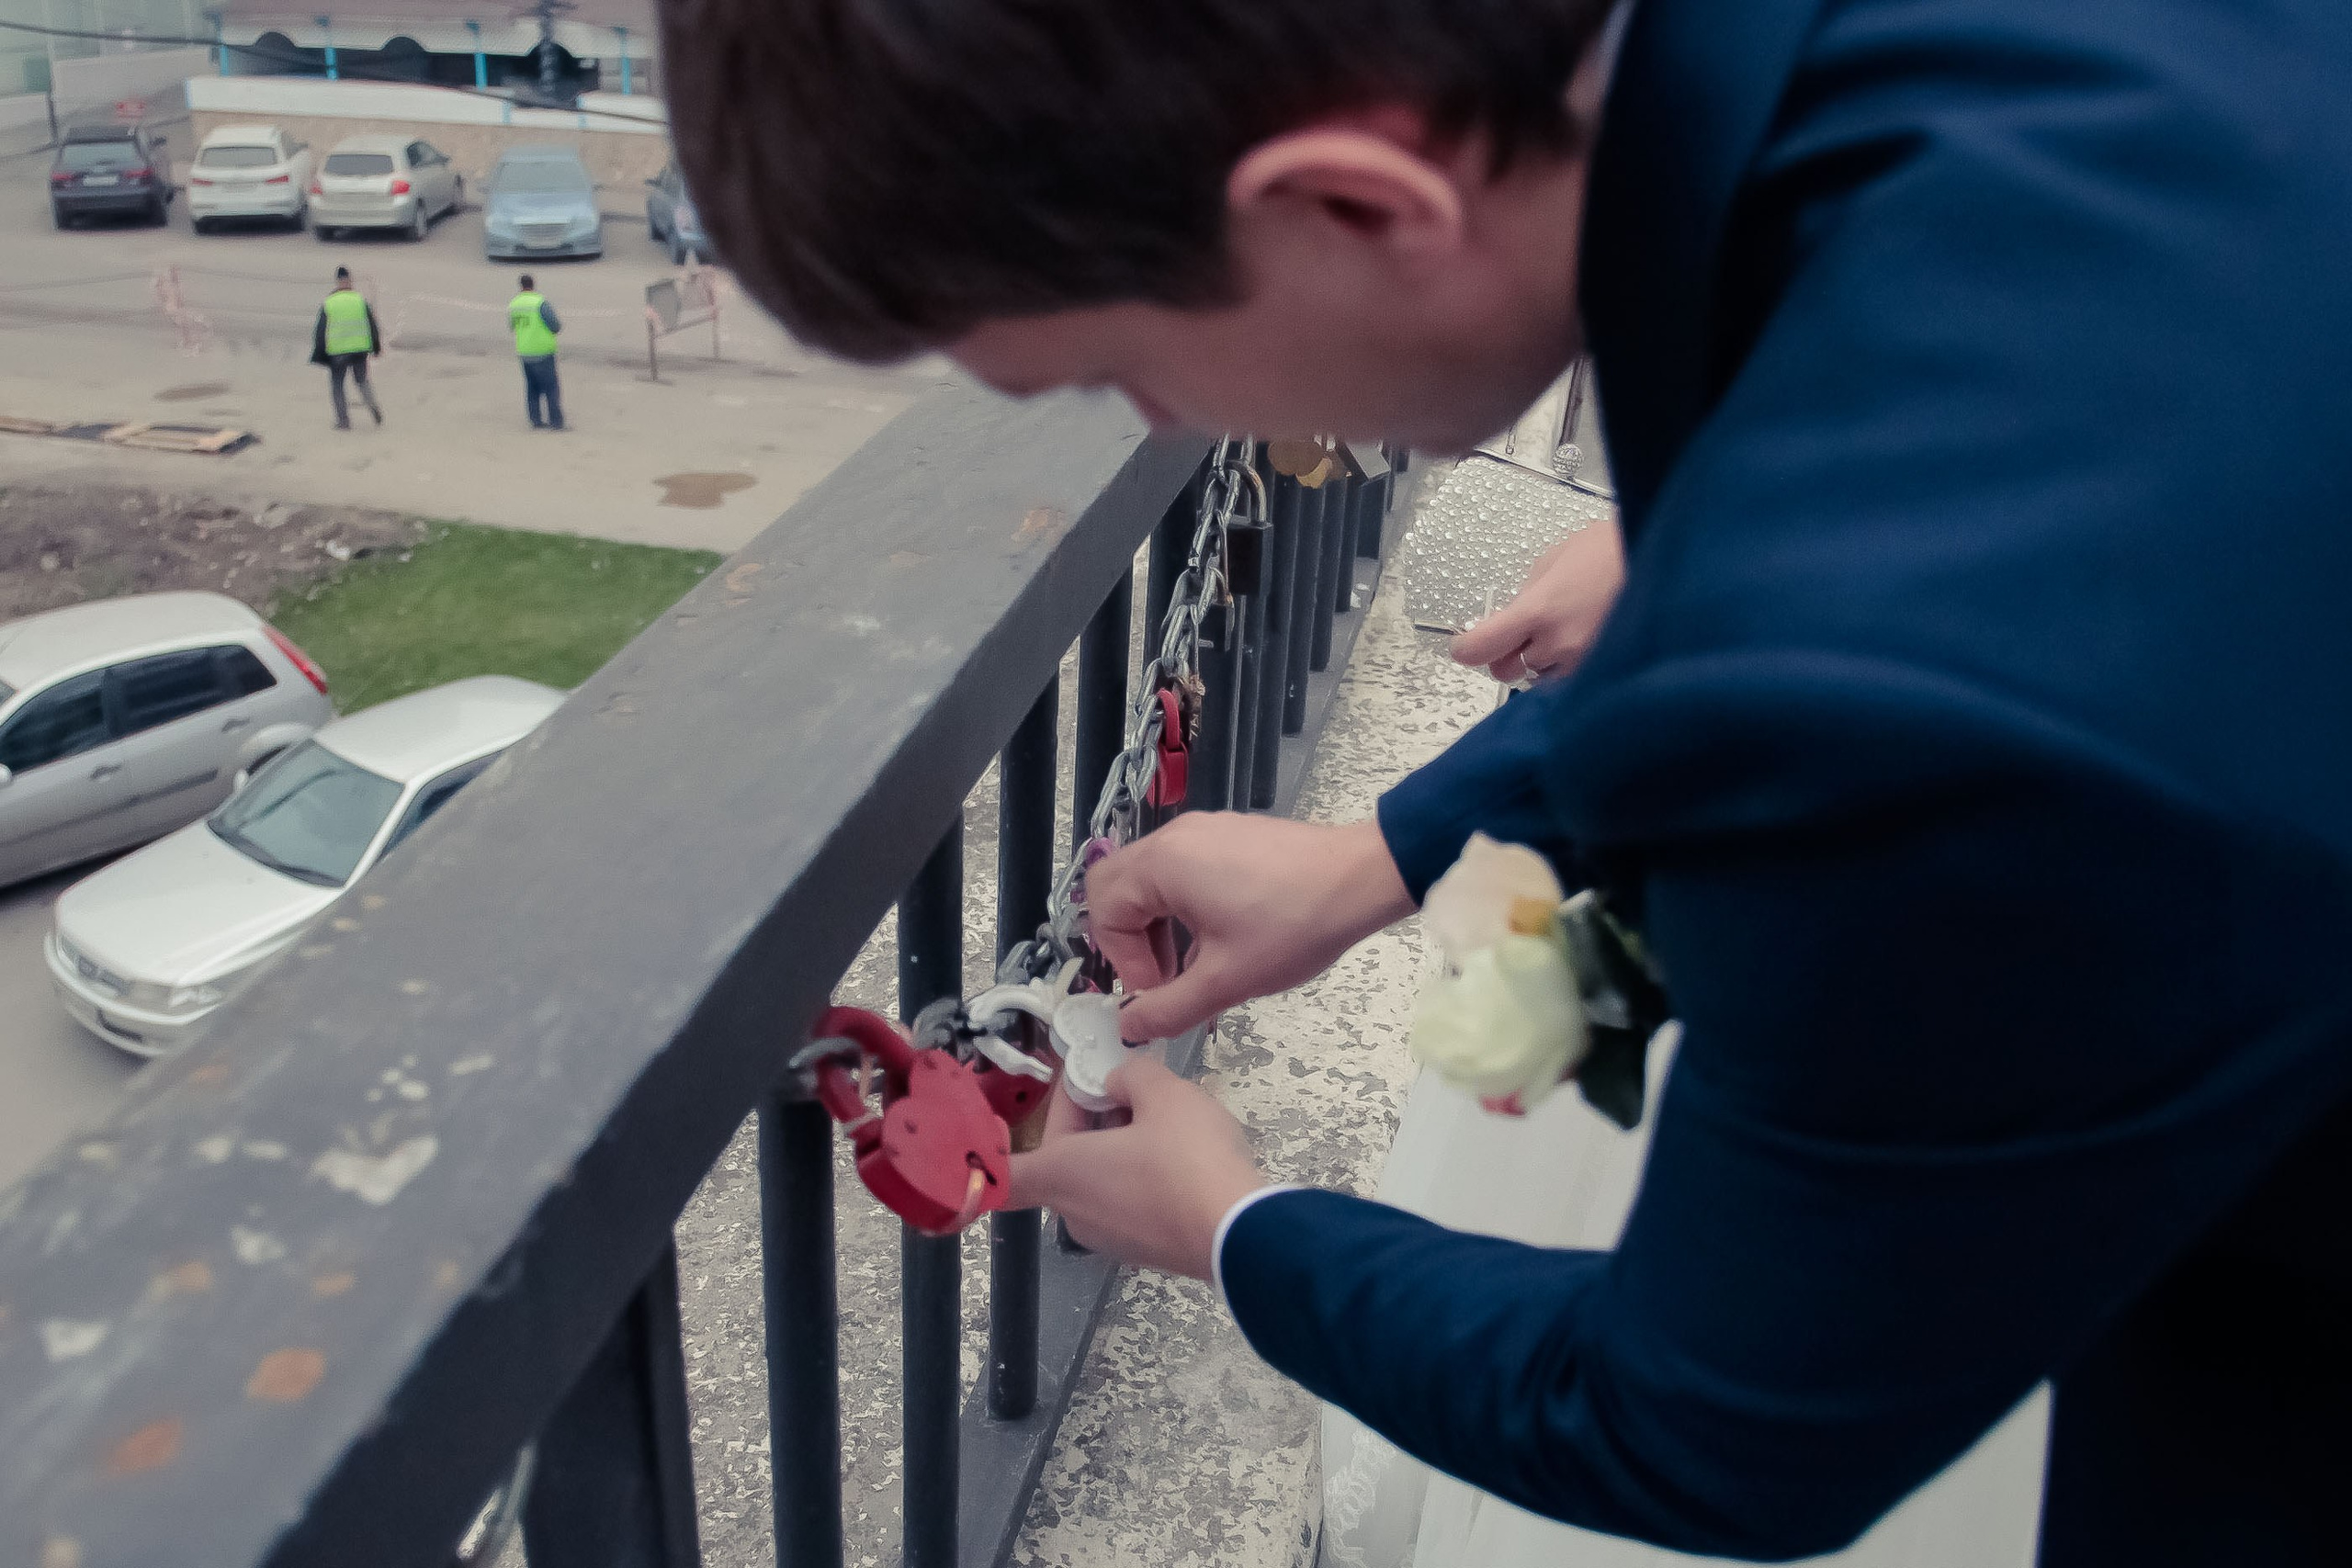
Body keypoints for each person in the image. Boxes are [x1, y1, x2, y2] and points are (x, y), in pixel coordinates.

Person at [662, 0, 2352, 1562]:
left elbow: (1715, 1425)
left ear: (1362, 206)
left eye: (1124, 373)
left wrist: (1235, 1226)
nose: (1155, 418)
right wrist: (1380, 861)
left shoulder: (1904, 667)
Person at [309, 266, 382, 431]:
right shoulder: (359, 300)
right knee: (362, 381)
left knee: (337, 385)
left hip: (338, 352)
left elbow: (320, 331)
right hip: (360, 350)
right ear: (350, 281)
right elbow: (372, 325)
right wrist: (376, 347)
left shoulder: (329, 302)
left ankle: (343, 421)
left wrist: (320, 353)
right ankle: (373, 406)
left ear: (337, 281)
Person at [507, 274, 564, 431]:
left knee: (532, 388)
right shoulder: (540, 303)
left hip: (524, 352)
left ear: (520, 286)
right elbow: (555, 326)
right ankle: (556, 422)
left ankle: (535, 420)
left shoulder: (514, 304)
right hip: (543, 351)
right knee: (551, 388)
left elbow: (512, 327)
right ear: (533, 285)